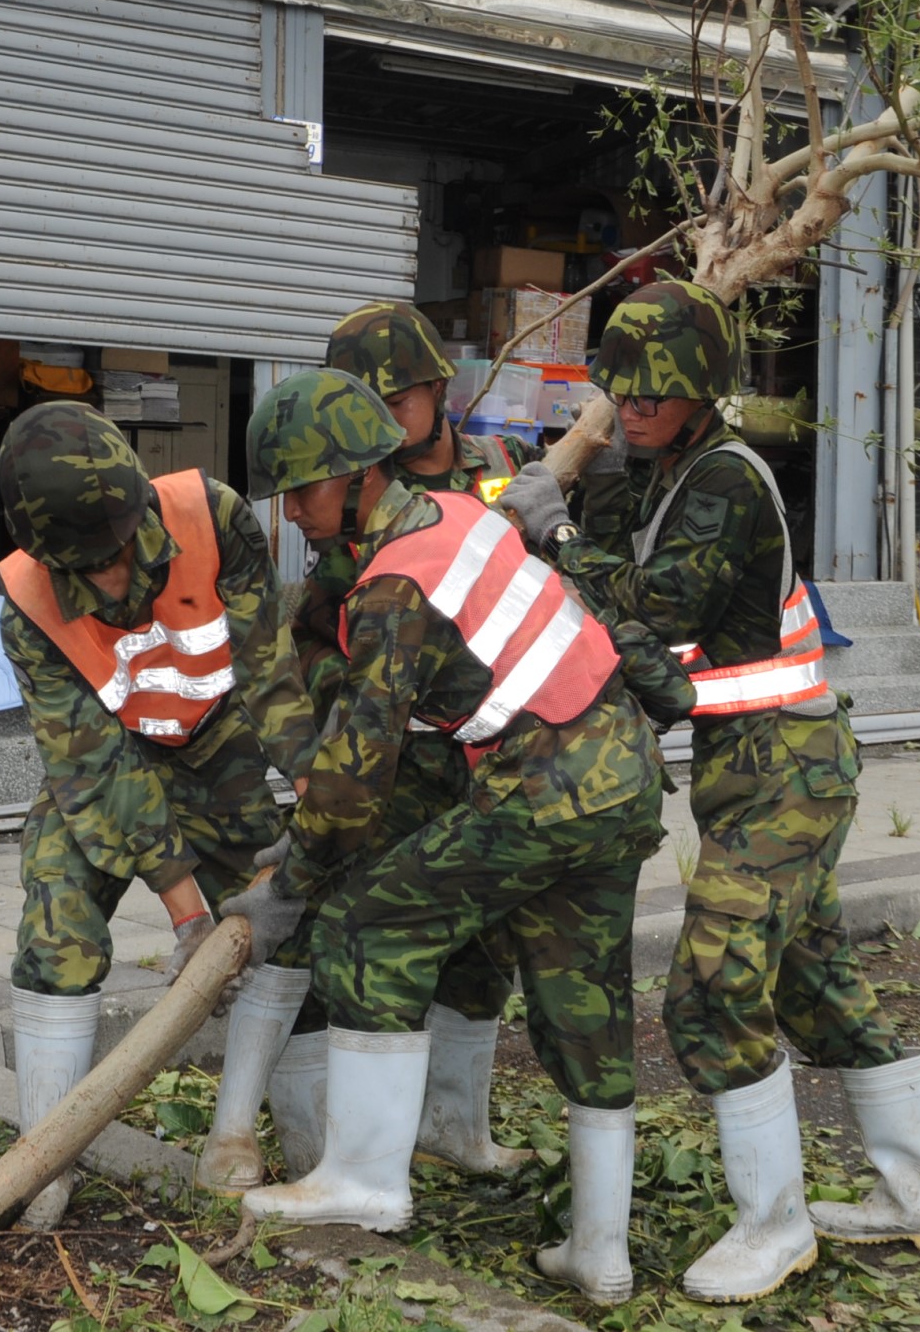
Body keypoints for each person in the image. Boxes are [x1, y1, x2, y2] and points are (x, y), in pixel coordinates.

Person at [497, 281, 920, 1305]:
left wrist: (557, 538)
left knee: (709, 990)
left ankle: (774, 1225)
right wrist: (566, 486)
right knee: (815, 985)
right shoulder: (652, 471)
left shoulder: (726, 481)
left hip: (784, 770)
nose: (634, 409)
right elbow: (606, 547)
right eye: (620, 390)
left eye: (654, 394)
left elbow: (651, 606)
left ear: (703, 392)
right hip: (752, 770)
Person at [228, 370, 684, 1306]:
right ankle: (599, 1252)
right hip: (620, 781)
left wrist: (292, 883)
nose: (295, 515)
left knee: (363, 924)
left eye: (304, 490)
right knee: (583, 1000)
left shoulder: (395, 585)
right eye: (283, 497)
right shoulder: (457, 515)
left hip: (544, 787)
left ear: (359, 474)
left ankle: (362, 1179)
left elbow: (353, 778)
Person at [198, 303, 543, 1194]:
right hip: (377, 748)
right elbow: (304, 645)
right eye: (374, 393)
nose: (391, 407)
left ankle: (453, 1126)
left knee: (481, 952)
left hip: (489, 750)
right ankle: (247, 1132)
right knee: (314, 926)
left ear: (437, 388)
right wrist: (322, 756)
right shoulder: (336, 502)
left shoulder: (499, 472)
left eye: (404, 389)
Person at [0, 402, 312, 1229]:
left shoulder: (215, 519)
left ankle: (235, 1131)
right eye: (84, 565)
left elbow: (268, 668)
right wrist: (184, 913)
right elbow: (89, 767)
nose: (109, 579)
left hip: (222, 753)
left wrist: (314, 783)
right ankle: (45, 1158)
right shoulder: (26, 602)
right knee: (56, 914)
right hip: (112, 765)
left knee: (287, 925)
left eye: (117, 550)